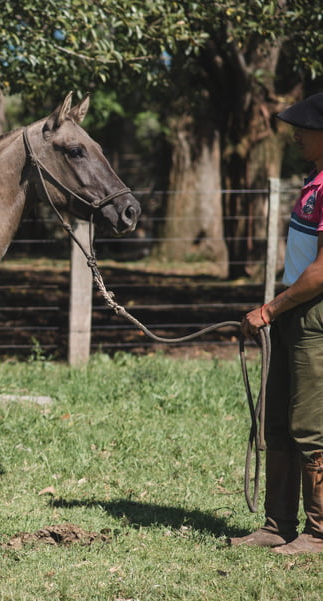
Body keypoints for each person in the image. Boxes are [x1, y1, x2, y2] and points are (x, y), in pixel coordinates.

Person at [231, 92, 323, 555]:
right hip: (295, 313)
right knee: (278, 420)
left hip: (315, 317)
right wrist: (280, 309)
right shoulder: (314, 181)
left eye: (304, 128)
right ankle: (277, 524)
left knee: (312, 424)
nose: (295, 135)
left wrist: (270, 308)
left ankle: (320, 533)